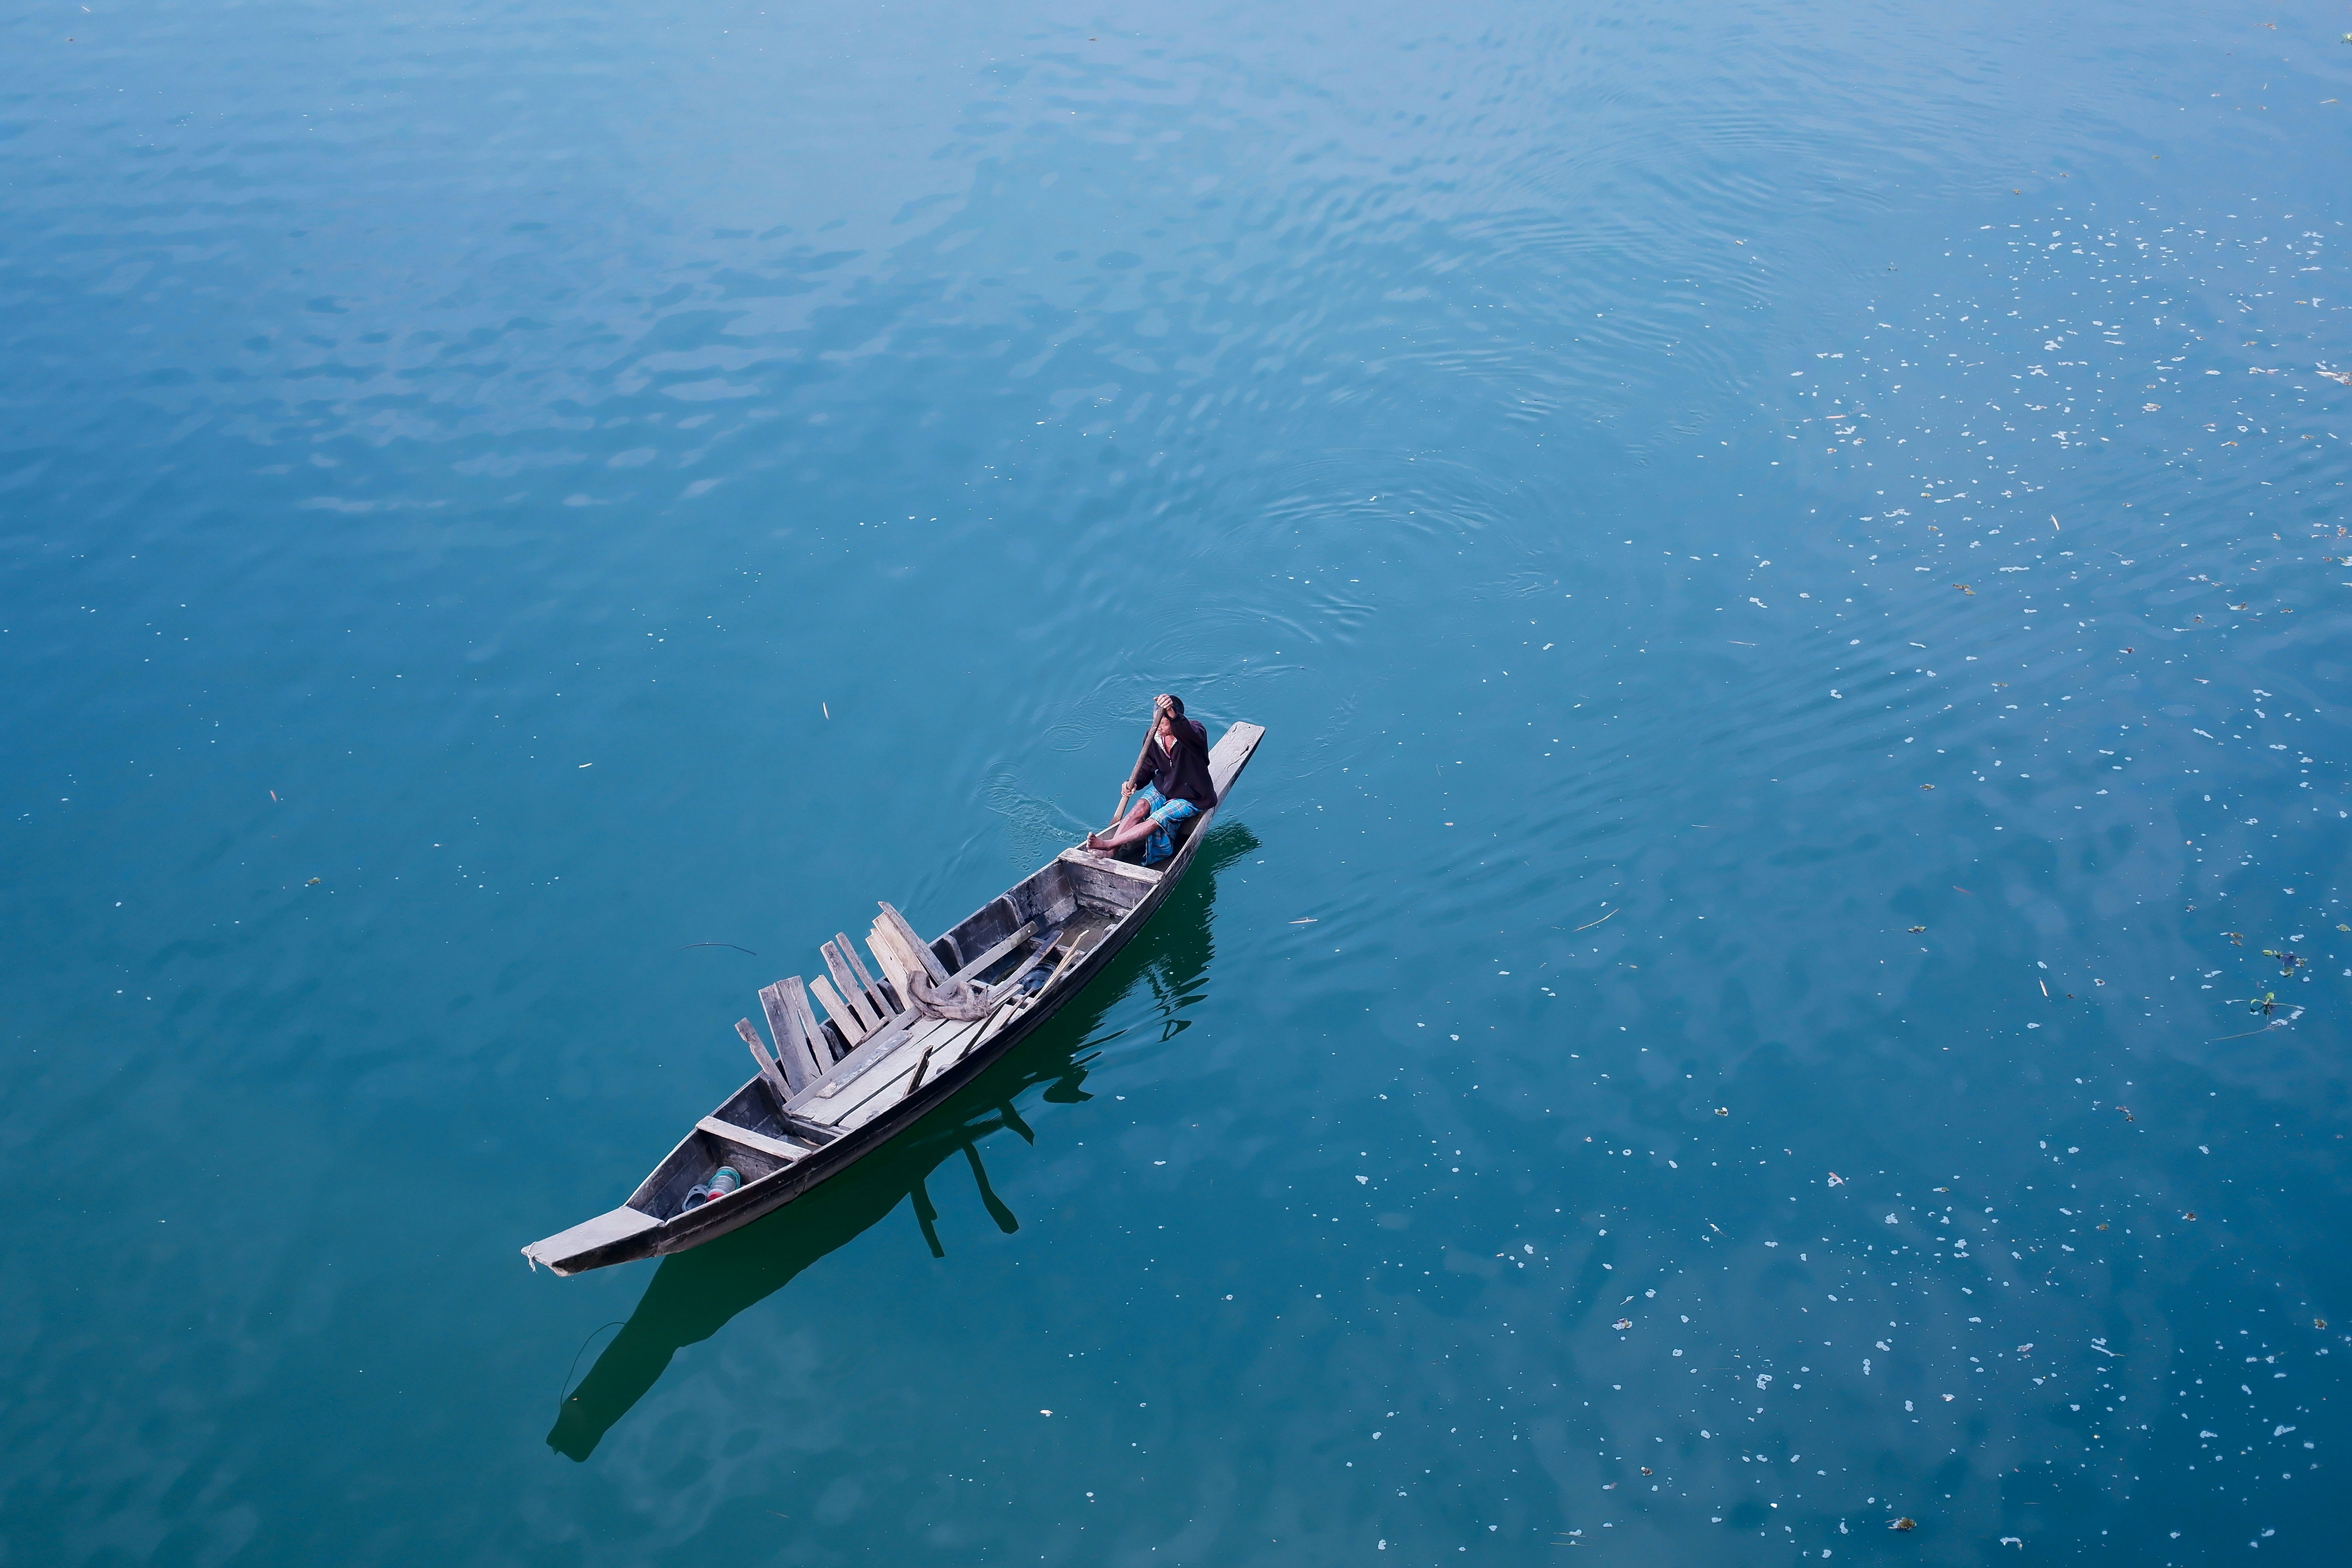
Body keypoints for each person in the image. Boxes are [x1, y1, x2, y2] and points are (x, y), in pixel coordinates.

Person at [1086, 693, 1213, 866]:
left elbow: (1190, 734)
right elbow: (1147, 764)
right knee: (1140, 807)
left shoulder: (1194, 731)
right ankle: (1110, 853)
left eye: (1164, 722)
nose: (1158, 727)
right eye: (1156, 721)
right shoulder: (1153, 735)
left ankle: (1108, 844)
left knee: (1158, 818)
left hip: (1192, 796)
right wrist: (1135, 782)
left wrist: (1173, 715)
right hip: (1165, 787)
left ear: (1176, 719)